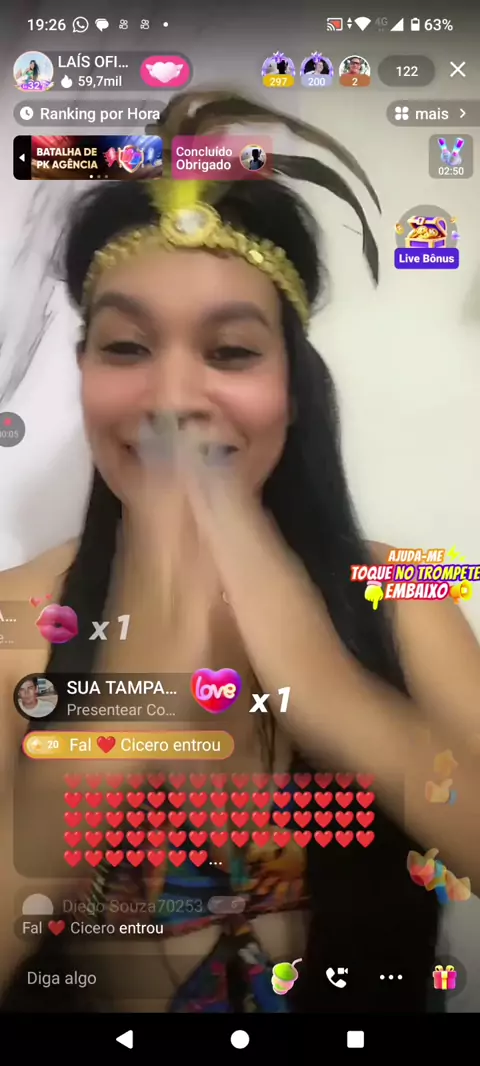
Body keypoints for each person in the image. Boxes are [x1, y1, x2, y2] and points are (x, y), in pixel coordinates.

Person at [1, 90, 479, 1015]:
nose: (173, 397)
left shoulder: (406, 590)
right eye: (126, 346)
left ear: (294, 390)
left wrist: (334, 693)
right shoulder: (15, 619)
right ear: (85, 373)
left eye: (229, 352)